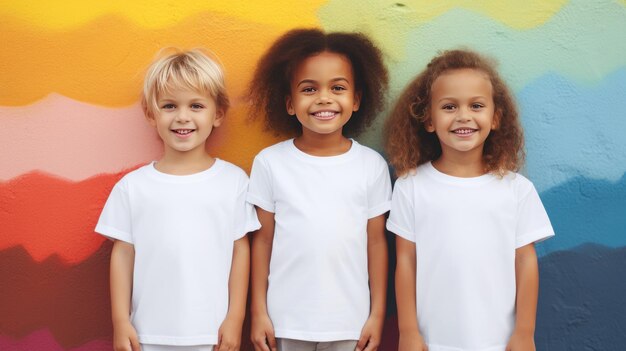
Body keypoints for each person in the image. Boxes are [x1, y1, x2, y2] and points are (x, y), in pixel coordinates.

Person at [385, 49, 554, 351]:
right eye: (449, 107)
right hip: (432, 342)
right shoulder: (410, 187)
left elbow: (526, 262)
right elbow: (406, 262)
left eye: (476, 105)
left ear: (496, 117)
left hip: (499, 342)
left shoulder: (517, 190)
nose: (464, 116)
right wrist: (408, 331)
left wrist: (524, 333)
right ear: (428, 120)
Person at [95, 48, 260, 351]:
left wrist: (235, 319)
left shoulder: (234, 182)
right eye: (169, 106)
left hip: (212, 336)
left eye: (196, 105)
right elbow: (123, 255)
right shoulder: (132, 188)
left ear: (218, 113)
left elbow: (240, 252)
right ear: (150, 114)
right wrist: (121, 322)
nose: (182, 117)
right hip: (148, 336)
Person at [246, 28, 391, 351]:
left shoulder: (371, 166)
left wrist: (377, 314)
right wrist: (258, 312)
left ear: (355, 100)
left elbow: (377, 243)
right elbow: (263, 241)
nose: (324, 98)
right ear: (289, 103)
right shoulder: (270, 163)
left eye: (337, 87)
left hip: (350, 322)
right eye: (309, 88)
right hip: (286, 320)